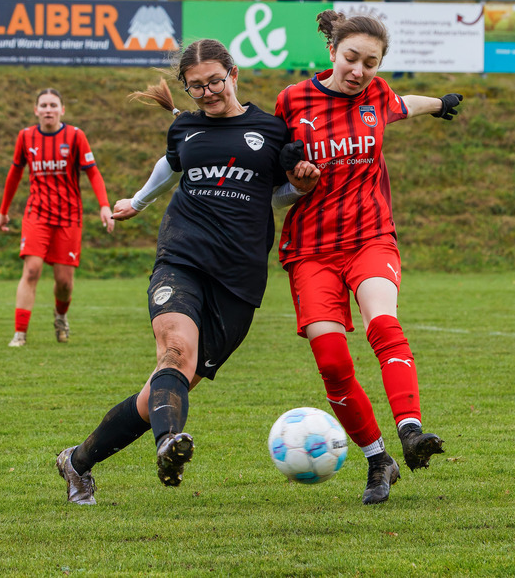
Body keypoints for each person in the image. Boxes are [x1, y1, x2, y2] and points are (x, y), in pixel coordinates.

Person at [55, 39, 320, 505]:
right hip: (182, 257)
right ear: (186, 88)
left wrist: (299, 189)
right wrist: (138, 202)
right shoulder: (185, 128)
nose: (208, 92)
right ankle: (170, 445)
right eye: (196, 87)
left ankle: (76, 461)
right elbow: (171, 165)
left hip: (238, 278)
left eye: (215, 81)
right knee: (175, 353)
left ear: (233, 74)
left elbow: (274, 196)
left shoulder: (272, 130)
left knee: (157, 395)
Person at [275, 10, 463, 504]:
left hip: (370, 237)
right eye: (351, 58)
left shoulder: (377, 95)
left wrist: (440, 104)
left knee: (383, 322)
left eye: (371, 63)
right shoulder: (292, 101)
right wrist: (292, 176)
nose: (359, 71)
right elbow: (272, 180)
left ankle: (410, 431)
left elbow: (404, 104)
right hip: (311, 250)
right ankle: (378, 459)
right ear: (332, 52)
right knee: (333, 362)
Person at [0, 89, 114, 347]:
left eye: (53, 105)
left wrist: (104, 206)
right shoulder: (25, 137)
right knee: (32, 270)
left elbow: (93, 173)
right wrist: (3, 211)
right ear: (36, 110)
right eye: (43, 105)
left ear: (62, 110)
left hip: (69, 216)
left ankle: (60, 317)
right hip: (37, 213)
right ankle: (20, 334)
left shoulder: (75, 136)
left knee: (64, 282)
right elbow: (14, 174)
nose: (48, 109)